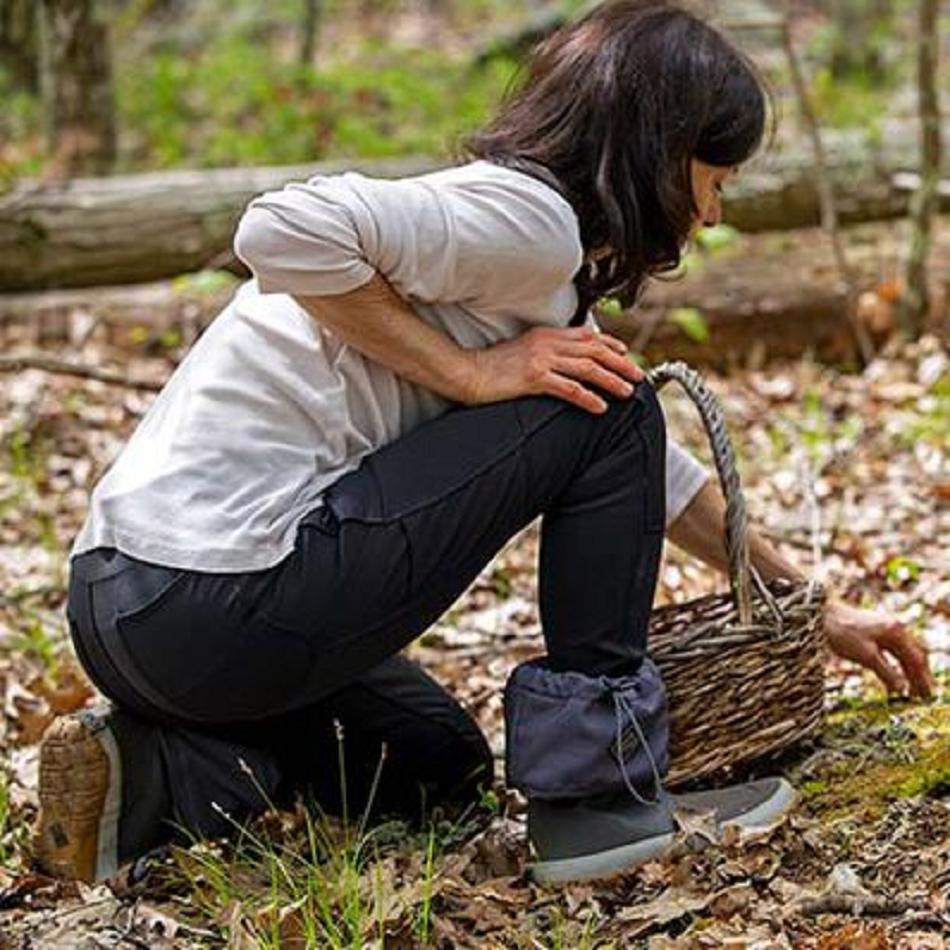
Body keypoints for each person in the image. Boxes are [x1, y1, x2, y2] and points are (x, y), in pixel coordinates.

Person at [35, 0, 935, 886]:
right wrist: (469, 375)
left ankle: (152, 778)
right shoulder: (526, 220)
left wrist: (807, 605)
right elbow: (278, 228)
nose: (714, 211)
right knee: (616, 407)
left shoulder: (535, 260)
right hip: (223, 589)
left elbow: (651, 473)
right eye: (715, 177)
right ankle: (596, 804)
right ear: (661, 149)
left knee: (437, 767)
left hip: (127, 610)